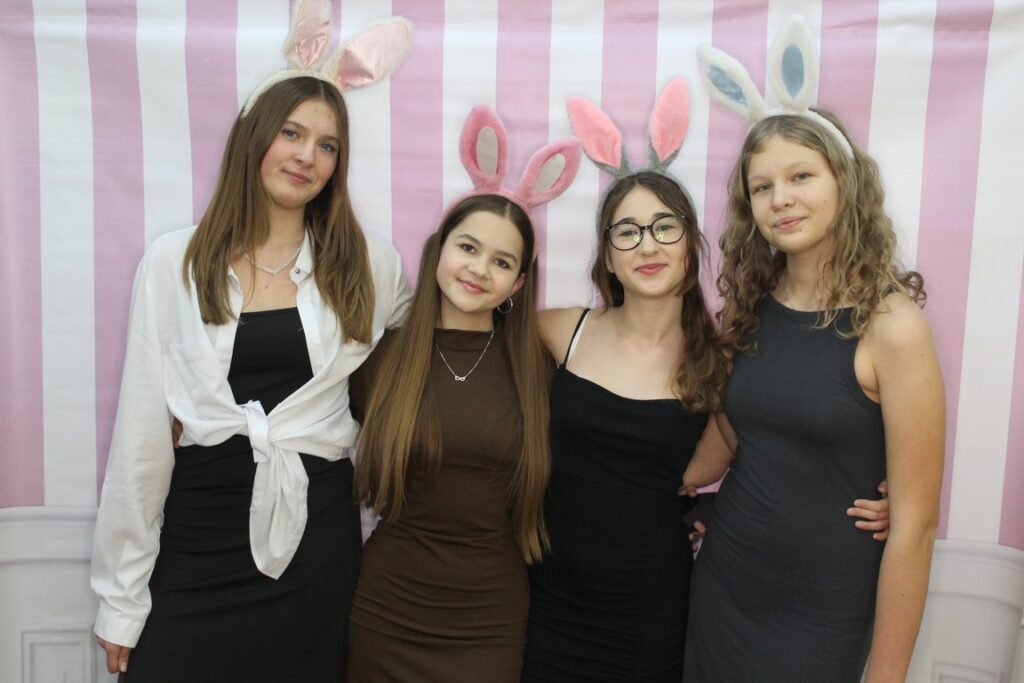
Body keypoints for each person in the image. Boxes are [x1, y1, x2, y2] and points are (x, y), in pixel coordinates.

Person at [521, 79, 892, 683]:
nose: (647, 245)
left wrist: (882, 492)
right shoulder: (555, 332)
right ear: (607, 255)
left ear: (691, 246)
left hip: (655, 607)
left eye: (664, 227)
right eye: (627, 231)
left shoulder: (724, 356)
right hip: (548, 598)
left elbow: (765, 447)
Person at [90, 11, 414, 680]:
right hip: (198, 531)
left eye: (327, 145)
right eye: (291, 133)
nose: (307, 157)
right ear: (252, 136)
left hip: (316, 542)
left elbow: (431, 343)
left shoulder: (369, 265)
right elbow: (142, 439)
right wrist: (122, 600)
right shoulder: (175, 262)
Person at [683, 18, 944, 681]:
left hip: (823, 611)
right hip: (724, 587)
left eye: (801, 175)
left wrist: (886, 675)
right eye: (762, 186)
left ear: (843, 184)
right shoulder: (750, 307)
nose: (781, 200)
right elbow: (730, 438)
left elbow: (914, 526)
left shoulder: (892, 326)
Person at [345, 106, 580, 682]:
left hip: (489, 617)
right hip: (386, 607)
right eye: (468, 248)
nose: (479, 270)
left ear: (518, 283)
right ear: (438, 250)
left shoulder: (539, 369)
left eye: (501, 261)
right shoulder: (380, 358)